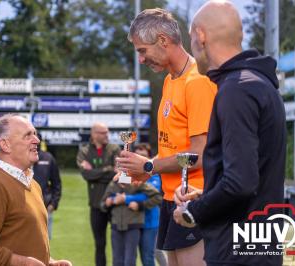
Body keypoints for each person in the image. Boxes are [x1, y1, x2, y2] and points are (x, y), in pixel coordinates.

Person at [173, 1, 286, 265]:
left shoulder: (237, 89)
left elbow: (241, 183)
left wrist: (193, 212)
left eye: (190, 38)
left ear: (201, 35)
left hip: (239, 252)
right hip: (256, 245)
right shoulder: (257, 84)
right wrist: (209, 192)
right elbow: (252, 172)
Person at [117, 8, 216, 266]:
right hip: (171, 199)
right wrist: (144, 170)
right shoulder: (171, 81)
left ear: (163, 40)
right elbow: (174, 147)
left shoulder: (198, 82)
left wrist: (149, 165)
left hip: (195, 198)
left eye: (142, 50)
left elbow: (200, 155)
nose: (140, 59)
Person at [0, 114, 71, 266]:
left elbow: (21, 241)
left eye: (35, 134)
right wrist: (22, 263)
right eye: (28, 135)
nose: (36, 140)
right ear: (5, 144)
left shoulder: (34, 185)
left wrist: (49, 262)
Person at [76, 122, 121, 266]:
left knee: (118, 243)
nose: (107, 135)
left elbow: (118, 174)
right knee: (99, 244)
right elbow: (86, 175)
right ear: (94, 134)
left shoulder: (115, 149)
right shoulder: (84, 151)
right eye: (103, 132)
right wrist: (107, 169)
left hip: (115, 202)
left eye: (107, 132)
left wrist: (96, 172)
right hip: (95, 205)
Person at [100, 179, 162, 266]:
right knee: (118, 261)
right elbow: (103, 204)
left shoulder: (137, 181)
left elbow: (157, 196)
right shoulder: (113, 183)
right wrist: (108, 203)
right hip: (117, 226)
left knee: (145, 257)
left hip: (139, 225)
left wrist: (138, 204)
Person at [133, 144, 167, 266]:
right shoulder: (129, 174)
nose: (140, 159)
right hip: (132, 220)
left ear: (149, 158)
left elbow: (154, 194)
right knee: (135, 257)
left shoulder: (156, 174)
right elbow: (120, 190)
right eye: (137, 156)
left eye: (143, 156)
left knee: (148, 257)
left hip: (150, 221)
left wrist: (127, 199)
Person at [33, 134, 62, 239]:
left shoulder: (48, 158)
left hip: (45, 206)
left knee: (44, 243)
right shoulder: (19, 158)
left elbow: (57, 183)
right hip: (23, 208)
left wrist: (54, 203)